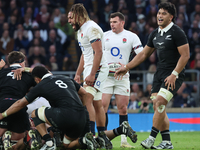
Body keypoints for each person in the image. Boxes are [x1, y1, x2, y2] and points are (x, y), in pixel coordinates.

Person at [0, 66, 138, 150]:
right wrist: (80, 109)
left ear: (37, 80)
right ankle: (120, 129)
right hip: (81, 115)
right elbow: (85, 94)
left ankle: (47, 141)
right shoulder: (66, 78)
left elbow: (20, 104)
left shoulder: (41, 85)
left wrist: (4, 114)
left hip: (63, 116)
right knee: (73, 144)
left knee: (36, 114)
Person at [115, 2, 190, 149]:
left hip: (174, 74)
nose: (160, 16)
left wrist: (174, 74)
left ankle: (151, 138)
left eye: (164, 14)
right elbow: (143, 54)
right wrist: (127, 67)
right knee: (158, 108)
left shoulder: (177, 32)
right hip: (159, 74)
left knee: (160, 102)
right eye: (159, 13)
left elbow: (185, 55)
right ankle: (167, 142)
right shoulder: (155, 34)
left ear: (171, 17)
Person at [68, 3, 111, 148]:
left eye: (70, 17)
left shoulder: (91, 28)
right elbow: (85, 54)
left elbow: (98, 52)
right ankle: (102, 136)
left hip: (97, 69)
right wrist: (78, 73)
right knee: (97, 104)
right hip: (89, 69)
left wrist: (92, 73)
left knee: (87, 98)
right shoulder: (81, 30)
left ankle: (90, 135)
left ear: (78, 15)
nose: (69, 21)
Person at [102, 12, 142, 148]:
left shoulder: (131, 37)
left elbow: (141, 55)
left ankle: (124, 141)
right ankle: (103, 138)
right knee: (102, 108)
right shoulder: (104, 36)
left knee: (123, 109)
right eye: (111, 22)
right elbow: (97, 54)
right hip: (106, 77)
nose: (111, 24)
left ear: (122, 23)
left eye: (114, 22)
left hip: (122, 76)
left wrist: (127, 66)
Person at [0, 51, 39, 150]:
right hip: (18, 105)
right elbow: (47, 76)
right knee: (23, 138)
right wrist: (27, 69)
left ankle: (4, 137)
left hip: (2, 104)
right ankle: (9, 138)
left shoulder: (2, 72)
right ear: (22, 63)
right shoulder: (28, 74)